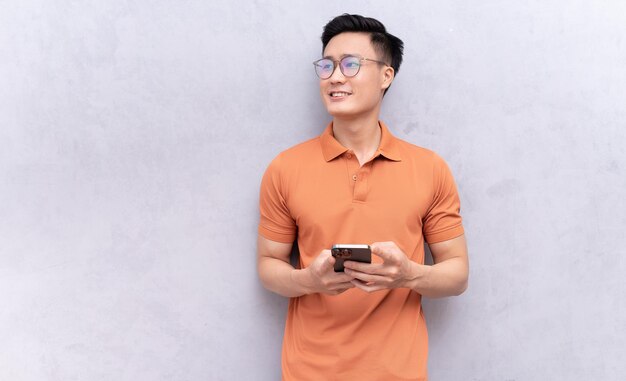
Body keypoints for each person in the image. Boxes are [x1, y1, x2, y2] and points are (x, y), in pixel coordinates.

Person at [257, 13, 469, 380]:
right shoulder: (284, 168)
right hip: (308, 372)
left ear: (386, 75)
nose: (335, 76)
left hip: (399, 373)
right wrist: (309, 280)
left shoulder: (430, 168)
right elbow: (268, 264)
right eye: (327, 65)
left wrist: (408, 275)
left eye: (351, 64)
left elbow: (457, 274)